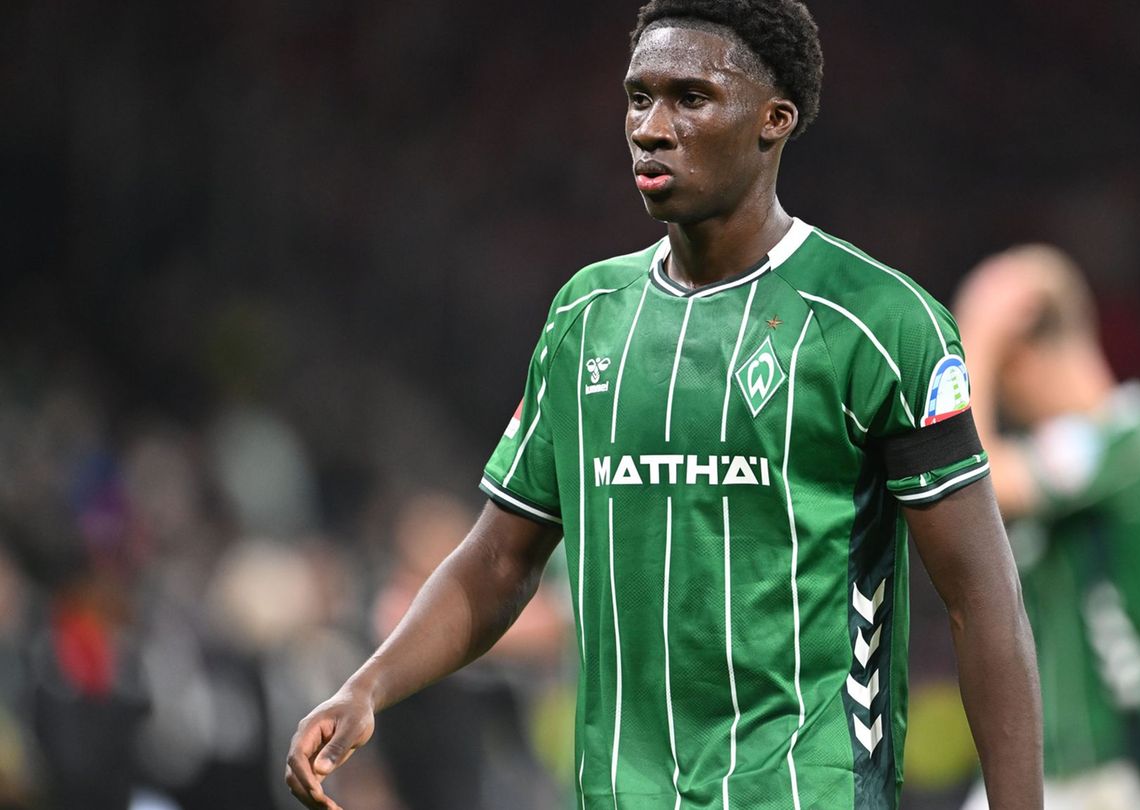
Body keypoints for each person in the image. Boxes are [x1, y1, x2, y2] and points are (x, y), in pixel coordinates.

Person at [286, 2, 1043, 808]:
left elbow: (981, 602)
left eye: (690, 98)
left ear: (773, 121)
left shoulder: (878, 323)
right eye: (638, 97)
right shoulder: (586, 317)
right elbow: (500, 559)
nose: (650, 126)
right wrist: (367, 687)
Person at [953, 246, 1140, 809]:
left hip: (1125, 778)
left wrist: (980, 327)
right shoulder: (1076, 458)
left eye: (1004, 375)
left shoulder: (1133, 445)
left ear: (1027, 357)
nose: (1008, 400)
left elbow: (964, 480)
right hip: (1051, 771)